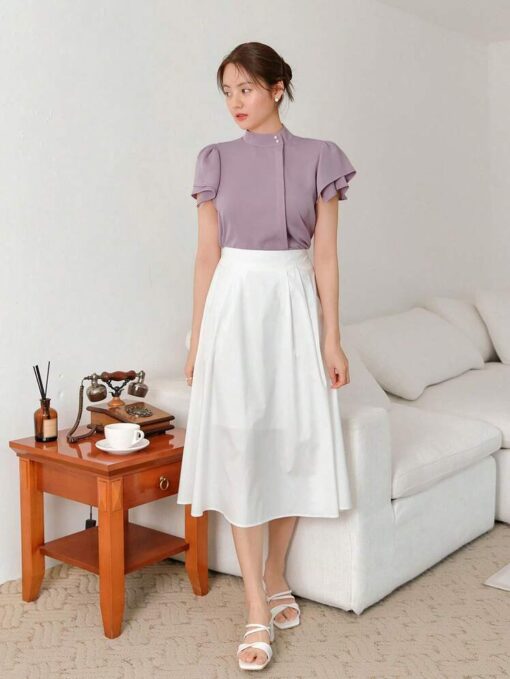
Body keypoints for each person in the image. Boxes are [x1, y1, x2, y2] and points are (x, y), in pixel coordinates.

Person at [176, 41, 357, 671]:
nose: (235, 102)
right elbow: (206, 256)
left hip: (293, 302)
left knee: (293, 442)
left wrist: (332, 338)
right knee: (240, 448)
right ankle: (256, 603)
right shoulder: (215, 159)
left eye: (246, 89)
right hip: (234, 307)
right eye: (227, 91)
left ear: (278, 88)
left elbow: (326, 256)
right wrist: (197, 338)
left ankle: (276, 570)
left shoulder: (320, 157)